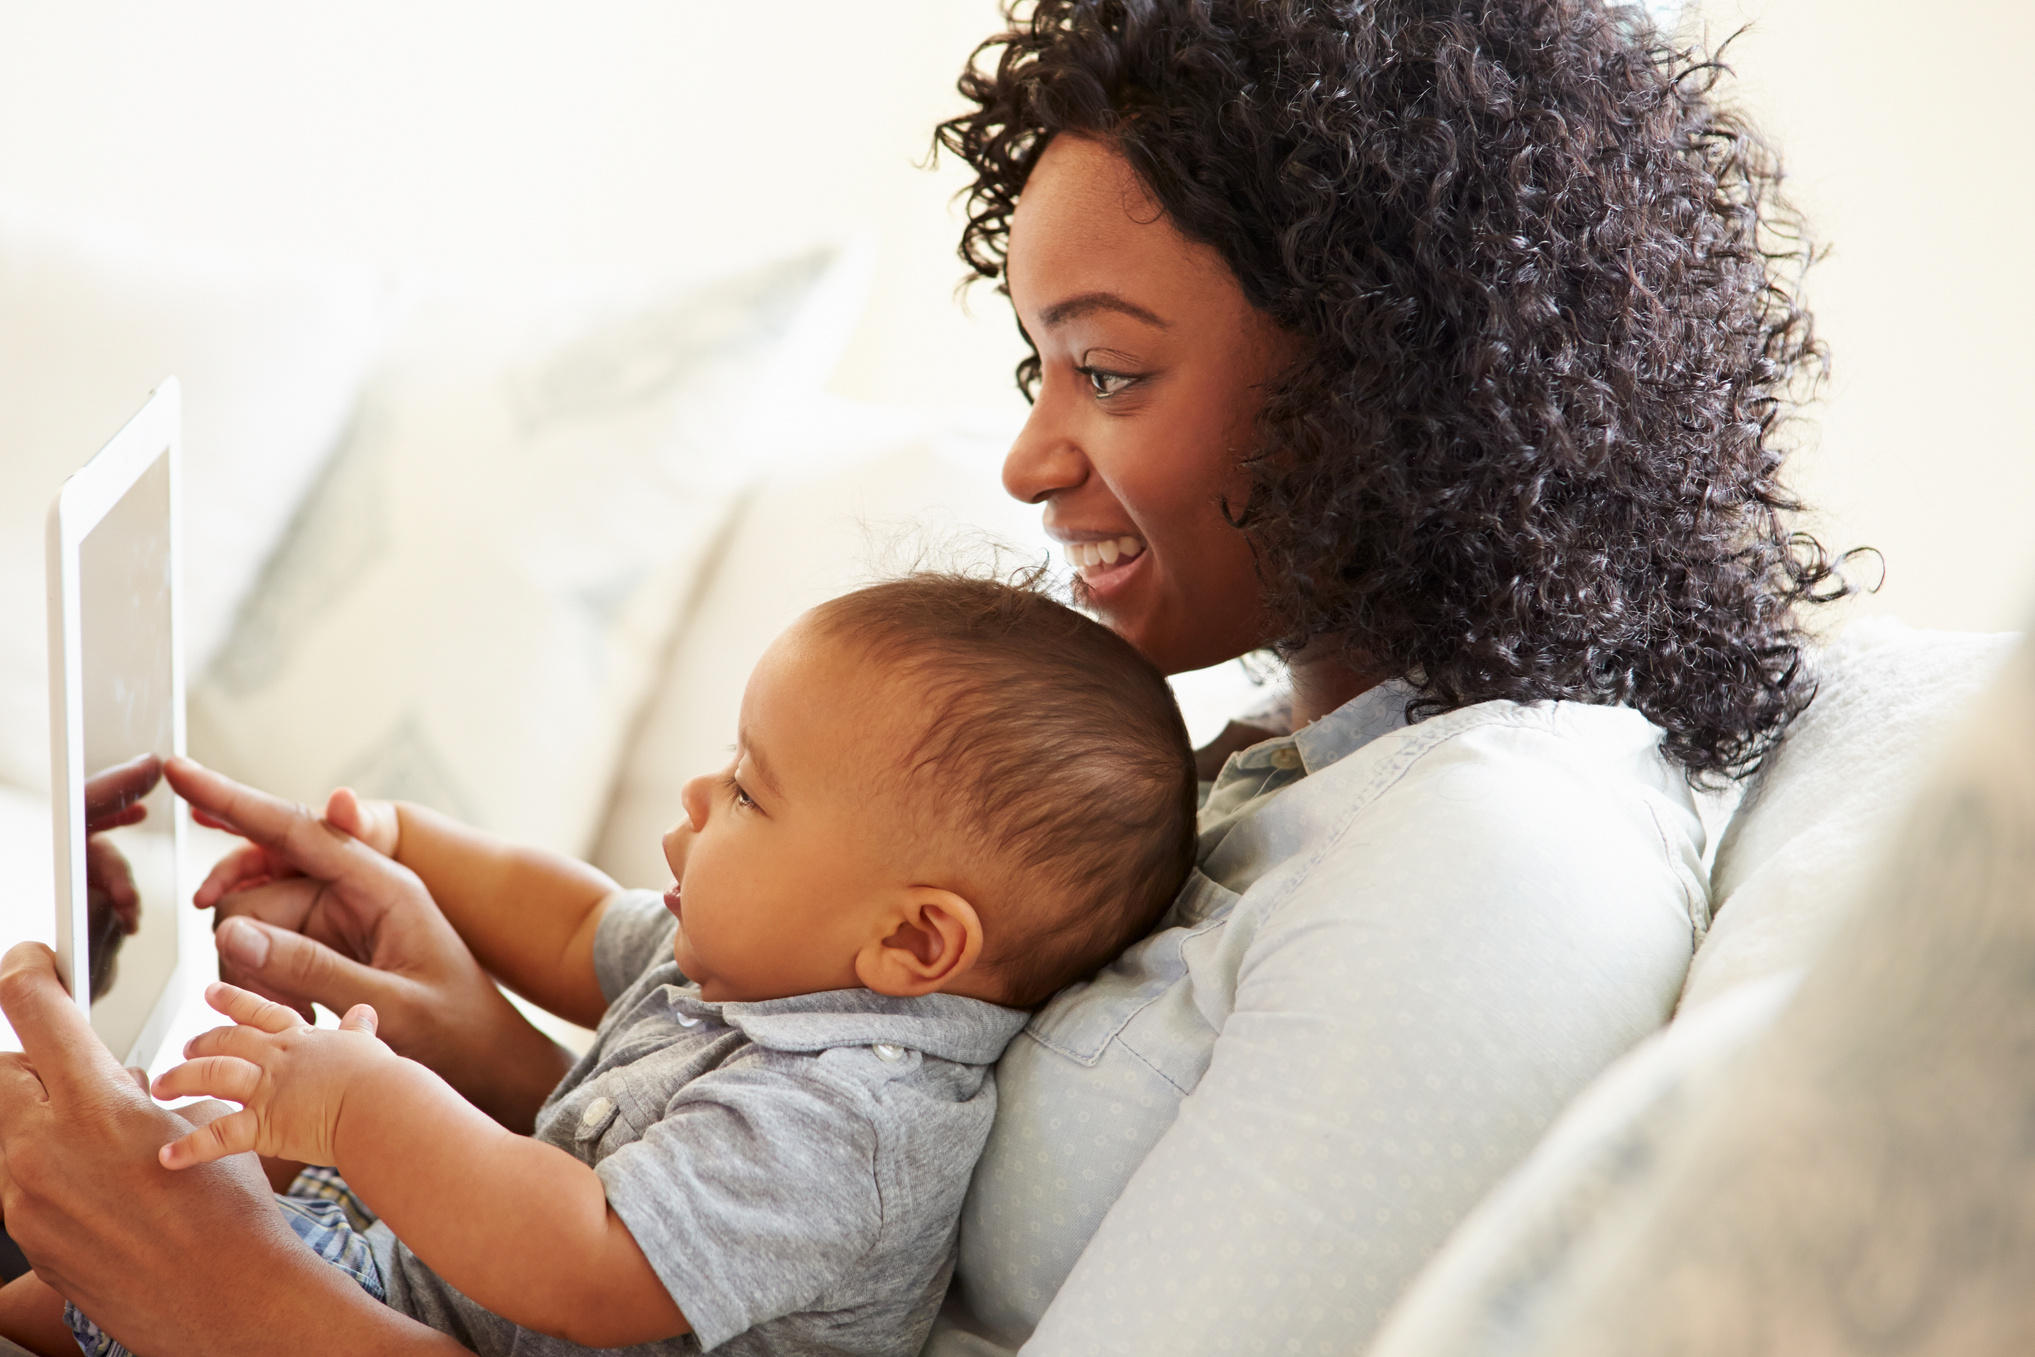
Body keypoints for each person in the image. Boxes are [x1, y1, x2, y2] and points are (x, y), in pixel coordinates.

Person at [0, 2, 1844, 1353]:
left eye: (1107, 374)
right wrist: (466, 1037)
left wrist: (218, 1288)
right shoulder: (1287, 767)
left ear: (1388, 381)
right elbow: (727, 1177)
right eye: (1040, 366)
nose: (1032, 460)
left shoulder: (1492, 868)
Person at [0, 575, 1196, 1357]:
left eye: (746, 788)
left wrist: (363, 1106)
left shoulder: (853, 1124)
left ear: (913, 941)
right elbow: (573, 923)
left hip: (400, 1314)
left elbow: (591, 1262)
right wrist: (400, 841)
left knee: (80, 1215)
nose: (697, 792)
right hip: (393, 1282)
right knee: (78, 1185)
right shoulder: (764, 966)